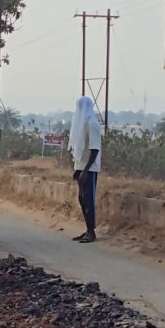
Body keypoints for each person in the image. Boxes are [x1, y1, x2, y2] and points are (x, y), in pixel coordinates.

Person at [67, 96, 102, 243]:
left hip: (90, 169)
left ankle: (91, 232)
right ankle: (88, 229)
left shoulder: (92, 124)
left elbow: (94, 150)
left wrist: (86, 171)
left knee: (89, 200)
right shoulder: (82, 124)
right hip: (82, 167)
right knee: (82, 199)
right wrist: (78, 170)